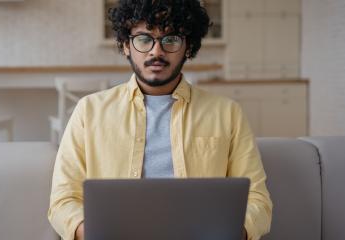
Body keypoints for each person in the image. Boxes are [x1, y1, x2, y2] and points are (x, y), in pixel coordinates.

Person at [48, 1, 272, 240]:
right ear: (126, 45)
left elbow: (258, 200)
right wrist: (94, 234)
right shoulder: (88, 111)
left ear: (188, 47)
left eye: (171, 39)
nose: (156, 51)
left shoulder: (227, 113)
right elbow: (63, 200)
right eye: (144, 39)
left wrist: (229, 233)